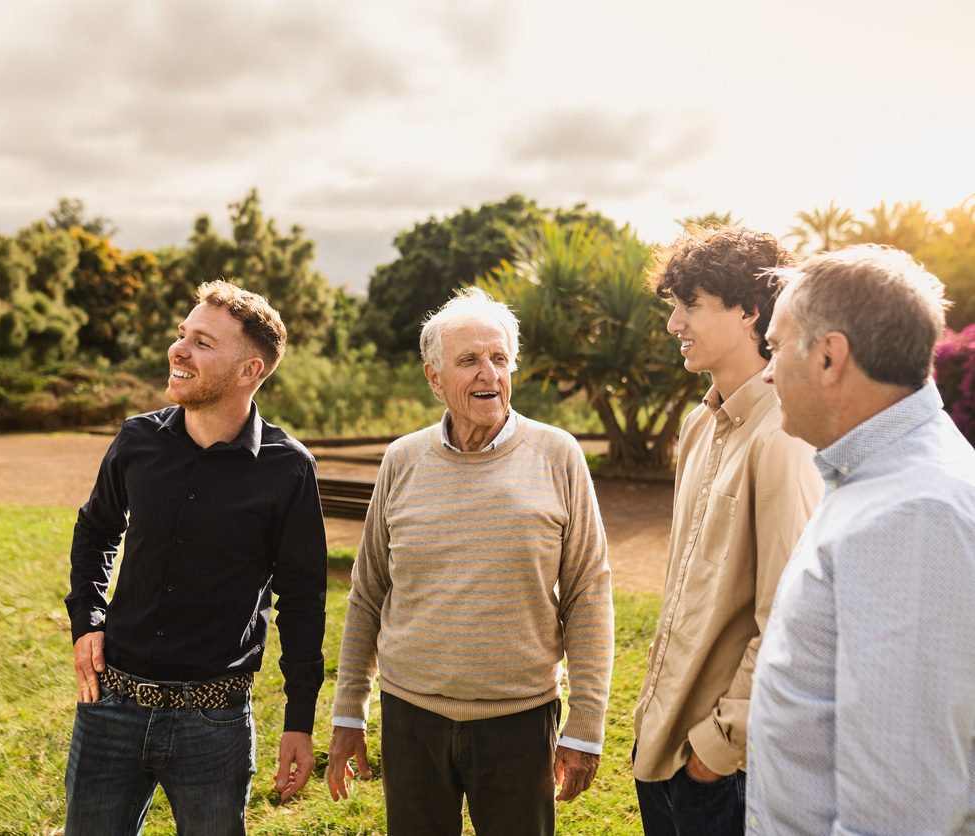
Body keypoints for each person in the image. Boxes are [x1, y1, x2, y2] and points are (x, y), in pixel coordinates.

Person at [326, 288, 614, 835]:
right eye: (469, 360)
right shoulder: (402, 459)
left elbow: (588, 594)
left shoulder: (558, 455)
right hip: (410, 717)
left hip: (521, 721)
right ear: (434, 378)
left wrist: (586, 723)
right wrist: (348, 711)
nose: (489, 373)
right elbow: (367, 592)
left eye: (500, 358)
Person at [63, 280, 327, 835]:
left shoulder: (288, 468)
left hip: (215, 723)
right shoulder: (137, 439)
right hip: (110, 706)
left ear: (250, 370)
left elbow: (303, 600)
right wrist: (87, 620)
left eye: (202, 343)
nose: (178, 350)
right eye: (182, 334)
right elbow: (97, 529)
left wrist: (299, 720)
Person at [746, 246, 975, 834]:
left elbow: (901, 812)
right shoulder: (878, 478)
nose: (766, 372)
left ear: (829, 357)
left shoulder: (911, 514)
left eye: (774, 347)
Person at [632, 226, 822, 835]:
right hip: (660, 746)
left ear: (750, 311)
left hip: (716, 770)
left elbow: (790, 620)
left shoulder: (783, 438)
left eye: (690, 305)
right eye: (673, 306)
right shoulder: (696, 426)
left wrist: (714, 753)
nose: (674, 324)